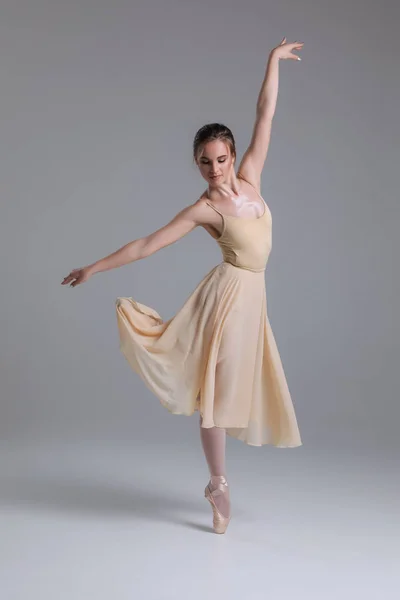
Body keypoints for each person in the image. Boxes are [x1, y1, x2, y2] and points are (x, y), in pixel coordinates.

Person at [61, 37, 304, 534]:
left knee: (227, 392)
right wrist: (93, 267)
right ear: (196, 164)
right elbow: (146, 245)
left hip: (254, 300)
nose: (214, 169)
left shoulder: (252, 179)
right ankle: (218, 484)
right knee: (213, 394)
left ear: (232, 155)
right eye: (204, 161)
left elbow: (265, 114)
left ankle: (216, 482)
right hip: (226, 299)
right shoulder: (204, 209)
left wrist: (272, 61)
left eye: (220, 159)